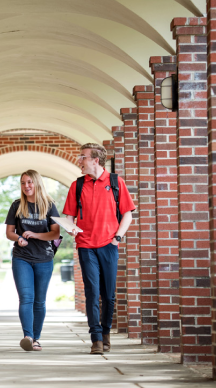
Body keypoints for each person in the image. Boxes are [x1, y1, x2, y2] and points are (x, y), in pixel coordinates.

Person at [61, 143, 134, 354]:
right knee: (92, 292)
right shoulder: (77, 186)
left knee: (108, 294)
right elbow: (69, 216)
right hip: (86, 246)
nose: (79, 161)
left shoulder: (115, 182)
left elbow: (127, 213)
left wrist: (117, 237)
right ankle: (96, 339)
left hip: (109, 245)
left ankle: (106, 333)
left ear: (95, 160)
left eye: (82, 157)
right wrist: (71, 229)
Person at [5, 170, 61, 352]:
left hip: (44, 258)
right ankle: (27, 336)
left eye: (30, 182)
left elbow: (55, 233)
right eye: (23, 183)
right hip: (22, 257)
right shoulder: (17, 205)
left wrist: (35, 234)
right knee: (26, 298)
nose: (26, 186)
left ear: (37, 183)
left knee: (39, 301)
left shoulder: (49, 205)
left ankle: (36, 338)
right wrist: (18, 238)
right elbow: (9, 232)